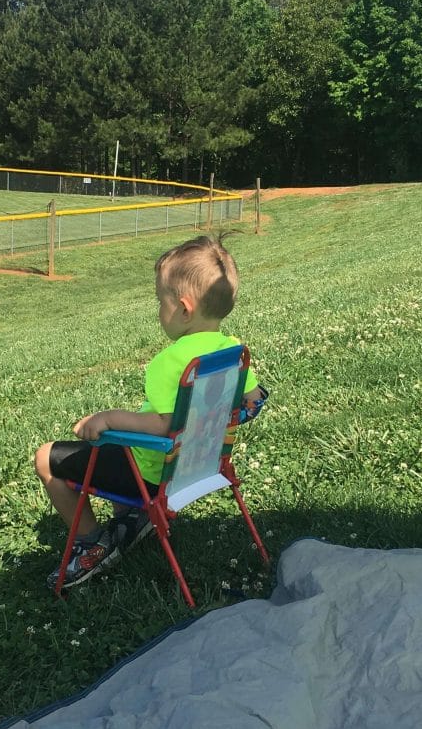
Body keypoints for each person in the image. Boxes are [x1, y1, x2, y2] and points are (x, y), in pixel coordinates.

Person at [35, 233, 266, 589]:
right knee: (116, 452)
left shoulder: (173, 362)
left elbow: (162, 426)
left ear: (184, 309)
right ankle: (132, 517)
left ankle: (94, 542)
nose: (158, 309)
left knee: (47, 456)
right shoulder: (232, 352)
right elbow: (253, 398)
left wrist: (108, 418)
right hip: (203, 464)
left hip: (157, 475)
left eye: (161, 300)